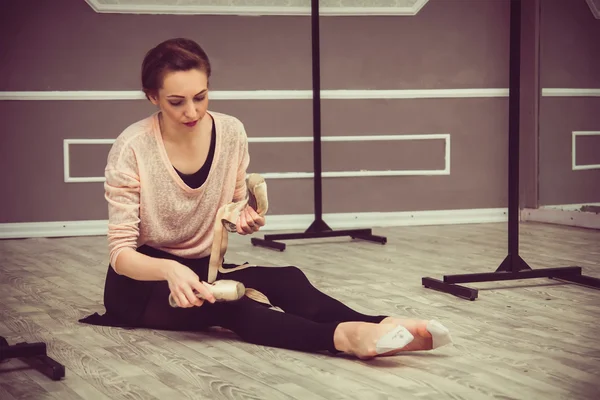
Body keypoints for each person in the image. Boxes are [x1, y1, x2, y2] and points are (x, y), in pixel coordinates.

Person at [79, 38, 451, 360]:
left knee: (288, 278)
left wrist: (244, 216)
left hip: (205, 270)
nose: (191, 111)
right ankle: (345, 339)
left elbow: (234, 208)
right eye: (176, 102)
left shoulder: (231, 132)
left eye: (200, 97)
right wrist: (169, 270)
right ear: (152, 97)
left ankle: (380, 325)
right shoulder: (132, 147)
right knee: (234, 306)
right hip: (142, 286)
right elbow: (121, 254)